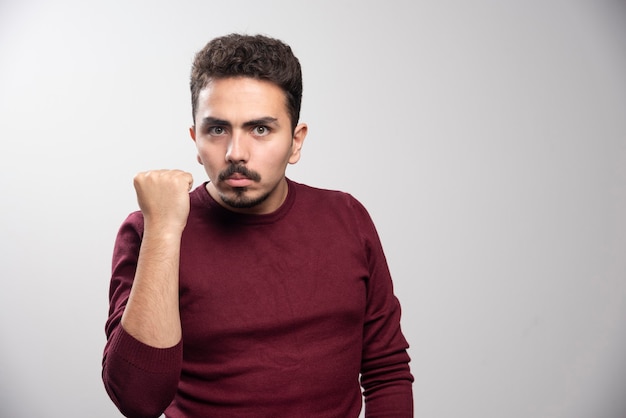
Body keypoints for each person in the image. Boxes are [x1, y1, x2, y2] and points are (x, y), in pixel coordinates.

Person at [102, 33, 413, 418]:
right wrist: (164, 230)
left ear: (296, 142)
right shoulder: (149, 231)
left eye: (260, 129)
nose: (236, 152)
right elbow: (138, 400)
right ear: (195, 140)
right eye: (217, 129)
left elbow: (387, 371)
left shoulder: (347, 217)